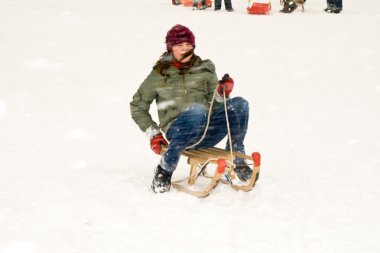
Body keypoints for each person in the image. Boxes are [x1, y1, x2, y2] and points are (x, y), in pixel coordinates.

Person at [130, 24, 252, 193]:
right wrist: (154, 134)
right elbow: (137, 106)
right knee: (196, 110)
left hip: (208, 131)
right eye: (179, 45)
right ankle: (164, 170)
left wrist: (221, 94)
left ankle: (237, 157)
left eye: (188, 45)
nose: (185, 49)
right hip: (180, 134)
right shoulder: (158, 75)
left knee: (240, 104)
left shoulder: (205, 69)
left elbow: (215, 106)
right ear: (171, 48)